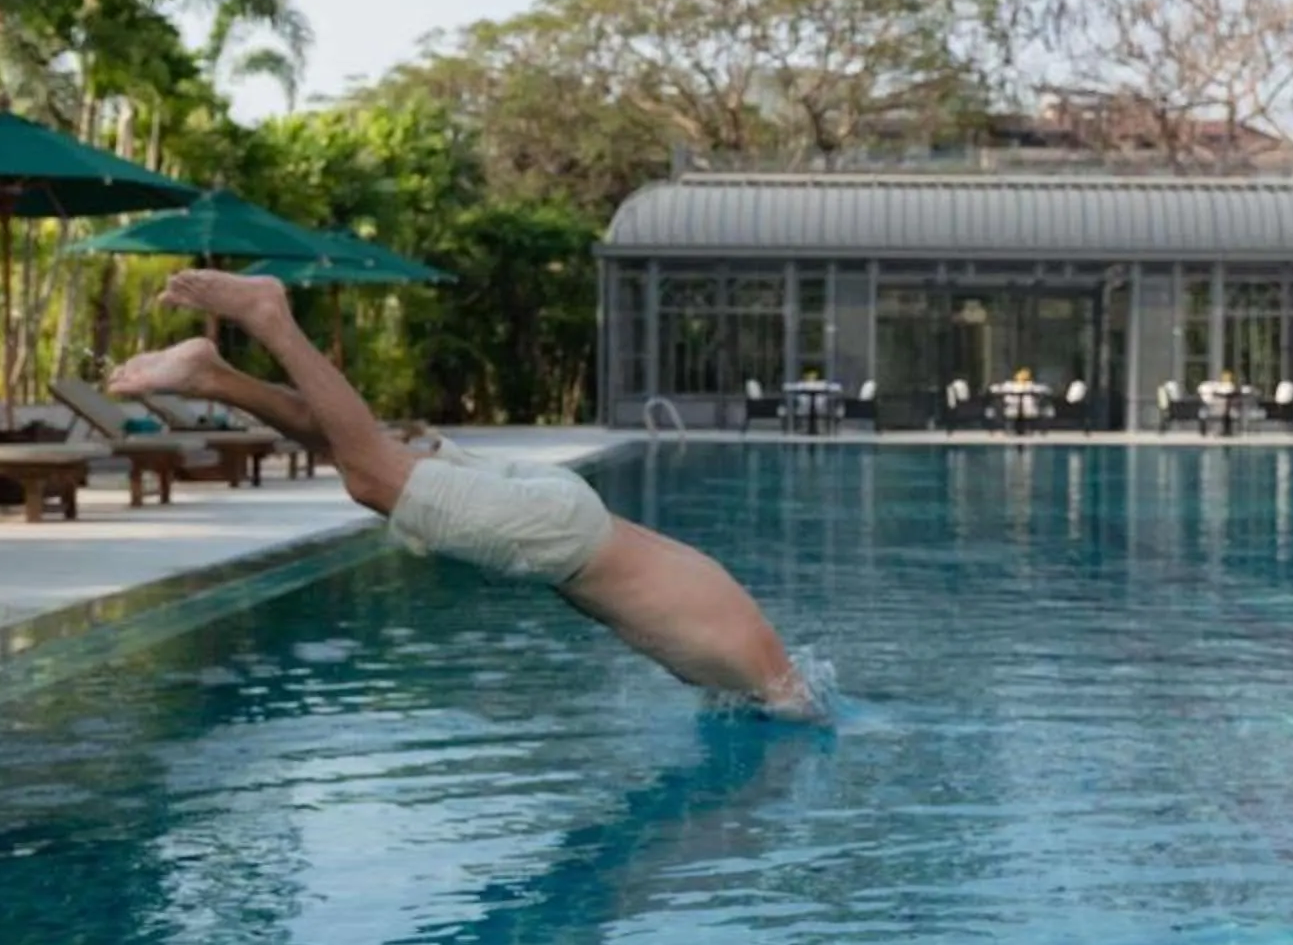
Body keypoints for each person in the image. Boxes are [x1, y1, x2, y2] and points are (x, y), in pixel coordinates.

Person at [109, 270, 817, 717]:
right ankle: (271, 319)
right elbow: (794, 726)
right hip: (565, 540)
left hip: (572, 512)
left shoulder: (748, 632)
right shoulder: (773, 689)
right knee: (372, 478)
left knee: (372, 454)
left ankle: (216, 378)